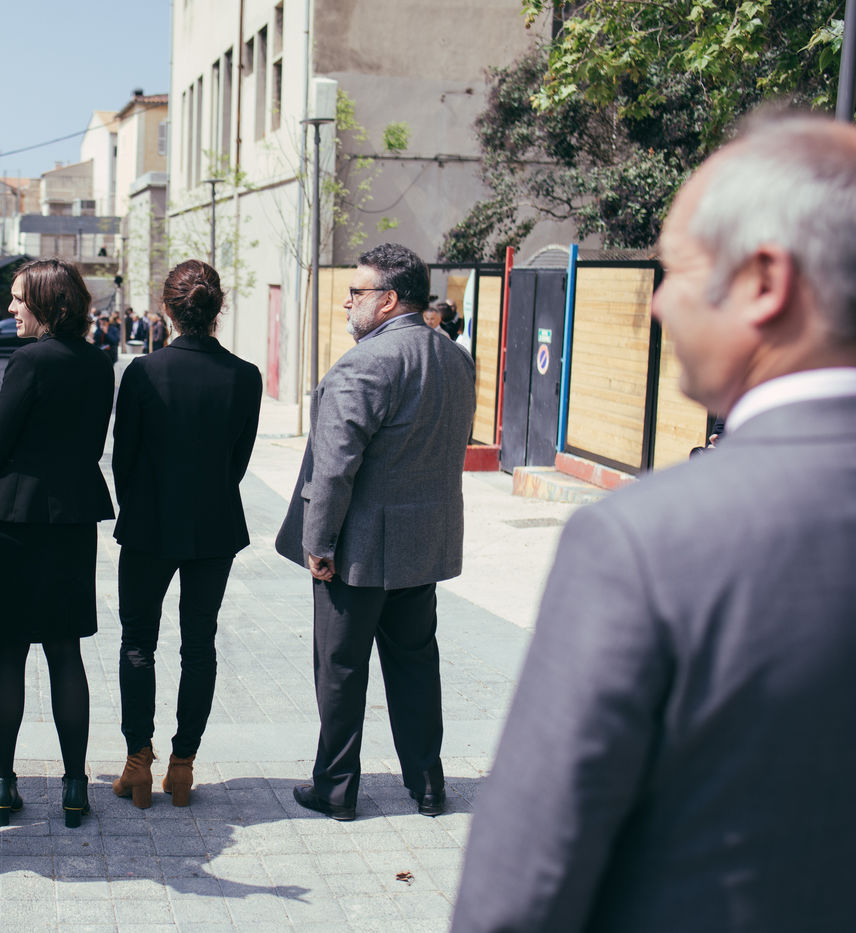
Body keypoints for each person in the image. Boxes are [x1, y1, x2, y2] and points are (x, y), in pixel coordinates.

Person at [451, 114, 856, 933]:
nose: (659, 303)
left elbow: (521, 890)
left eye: (674, 270)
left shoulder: (649, 542)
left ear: (764, 281)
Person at [275, 242, 474, 821]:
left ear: (388, 300)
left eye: (356, 291)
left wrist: (318, 543)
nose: (346, 301)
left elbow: (334, 468)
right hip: (424, 543)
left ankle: (336, 791)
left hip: (357, 552)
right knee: (416, 666)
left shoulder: (364, 365)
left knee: (340, 670)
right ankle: (428, 784)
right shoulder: (454, 358)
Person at [110, 260, 261, 808]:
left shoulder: (142, 373)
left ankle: (137, 762)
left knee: (137, 642)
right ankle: (182, 766)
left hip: (149, 523)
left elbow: (123, 459)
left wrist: (140, 505)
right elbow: (238, 461)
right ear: (218, 308)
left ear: (166, 310)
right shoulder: (246, 376)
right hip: (214, 524)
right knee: (199, 645)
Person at [0, 258, 115, 829]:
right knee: (65, 650)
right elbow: (92, 441)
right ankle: (75, 785)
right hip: (74, 518)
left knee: (8, 652)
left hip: (15, 519)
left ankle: (3, 783)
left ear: (47, 304)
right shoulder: (100, 362)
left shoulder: (29, 361)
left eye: (18, 299)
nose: (10, 308)